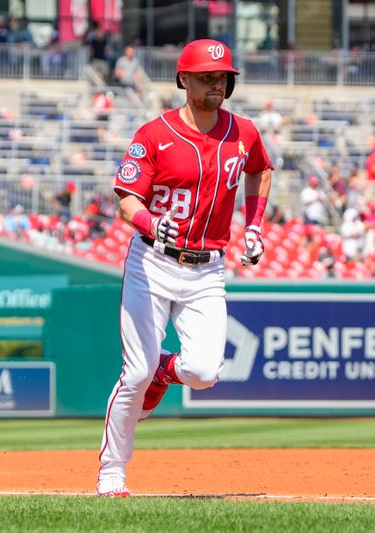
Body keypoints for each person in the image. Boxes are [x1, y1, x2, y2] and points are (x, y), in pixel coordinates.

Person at [96, 39, 272, 497]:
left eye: (223, 77)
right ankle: (112, 469)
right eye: (208, 76)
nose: (218, 83)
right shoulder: (153, 134)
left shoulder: (244, 133)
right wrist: (151, 223)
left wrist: (253, 226)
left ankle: (164, 371)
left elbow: (261, 170)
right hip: (152, 262)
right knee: (133, 373)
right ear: (184, 80)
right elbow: (125, 200)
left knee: (204, 372)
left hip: (208, 268)